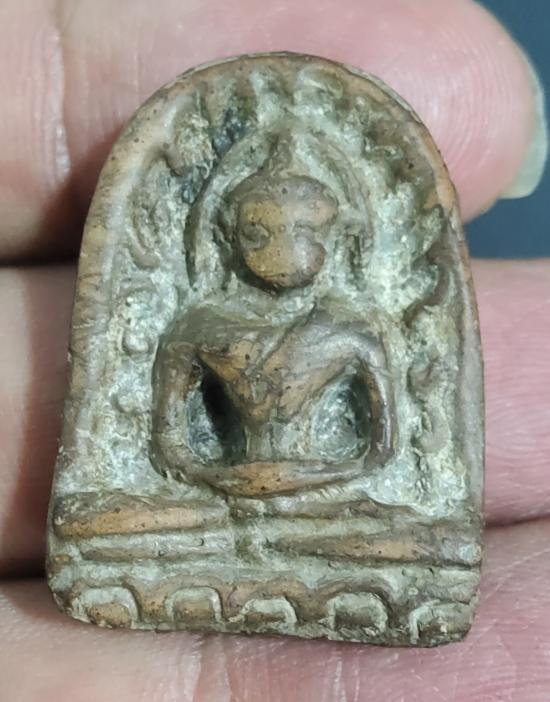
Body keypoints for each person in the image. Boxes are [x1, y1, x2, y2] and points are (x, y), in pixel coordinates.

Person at [0, 0, 548, 699]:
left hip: (327, 505)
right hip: (216, 503)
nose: (282, 250)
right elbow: (169, 448)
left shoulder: (356, 330)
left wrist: (302, 480)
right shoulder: (198, 327)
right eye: (260, 234)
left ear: (337, 239)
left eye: (301, 232)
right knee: (98, 522)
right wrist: (227, 481)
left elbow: (379, 452)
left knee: (431, 540)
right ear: (228, 239)